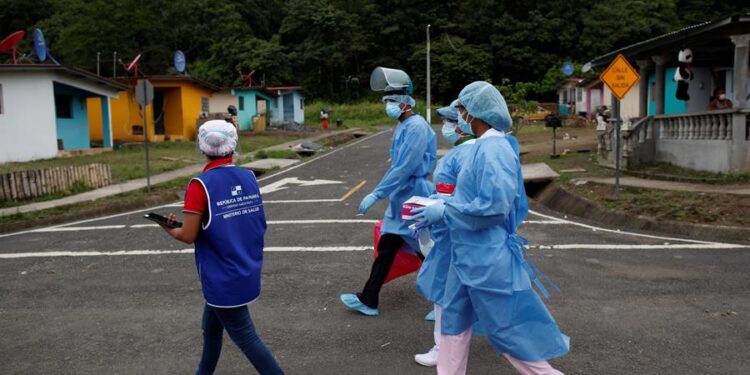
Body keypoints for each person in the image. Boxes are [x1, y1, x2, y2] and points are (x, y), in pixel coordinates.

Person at [413, 82, 569, 374]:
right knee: (452, 324)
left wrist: (445, 210)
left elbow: (494, 207)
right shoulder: (482, 147)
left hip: (485, 258)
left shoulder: (494, 149)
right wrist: (439, 203)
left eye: (460, 110)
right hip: (465, 255)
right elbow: (471, 196)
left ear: (475, 113)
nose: (458, 117)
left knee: (506, 330)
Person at [159, 120, 284, 375]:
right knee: (212, 331)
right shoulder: (248, 177)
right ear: (233, 144)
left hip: (221, 279)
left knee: (248, 339)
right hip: (244, 267)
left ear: (202, 147)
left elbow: (188, 234)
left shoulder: (200, 185)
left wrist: (166, 227)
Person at [340, 70, 437, 317]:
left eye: (392, 101)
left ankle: (447, 302)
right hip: (402, 197)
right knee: (387, 248)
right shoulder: (404, 125)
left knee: (426, 250)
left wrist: (377, 193)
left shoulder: (416, 127)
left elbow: (405, 166)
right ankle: (369, 298)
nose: (388, 106)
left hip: (413, 195)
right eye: (386, 101)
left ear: (406, 101)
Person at [414, 100, 475, 367]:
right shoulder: (468, 151)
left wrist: (438, 209)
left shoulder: (465, 154)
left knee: (445, 295)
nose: (447, 126)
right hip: (456, 233)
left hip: (455, 235)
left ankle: (443, 348)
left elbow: (458, 196)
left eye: (452, 120)